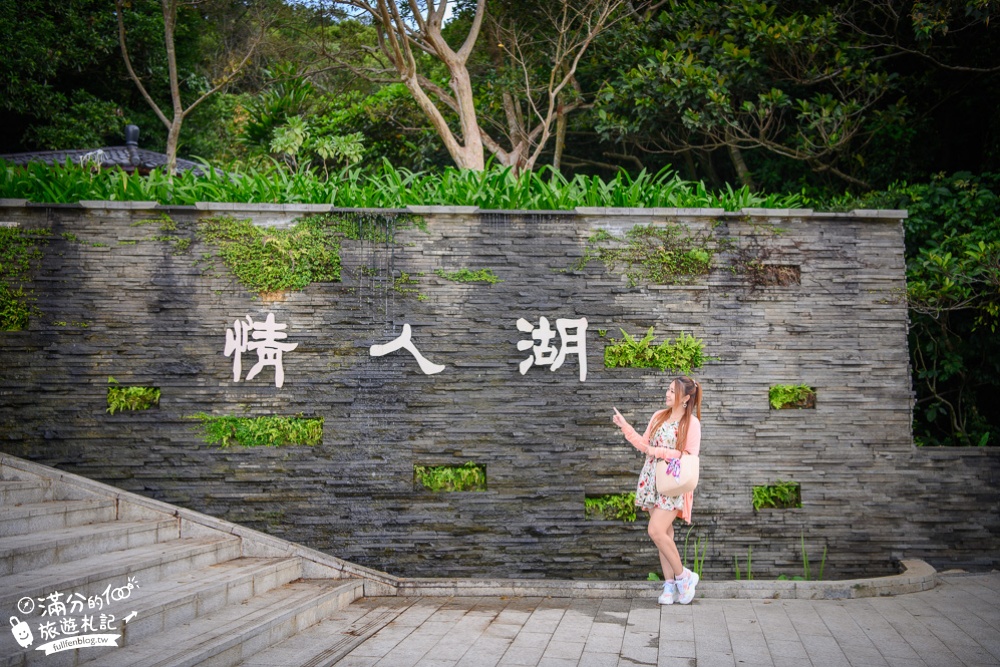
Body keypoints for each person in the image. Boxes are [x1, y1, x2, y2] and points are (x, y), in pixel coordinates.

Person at [613, 376, 702, 605]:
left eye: (672, 391)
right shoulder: (658, 416)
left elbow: (690, 457)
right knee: (665, 536)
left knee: (655, 530)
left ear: (686, 398)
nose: (667, 394)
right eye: (668, 390)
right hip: (652, 480)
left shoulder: (692, 424)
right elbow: (645, 446)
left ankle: (684, 577)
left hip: (672, 483)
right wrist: (626, 428)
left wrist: (661, 452)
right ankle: (669, 585)